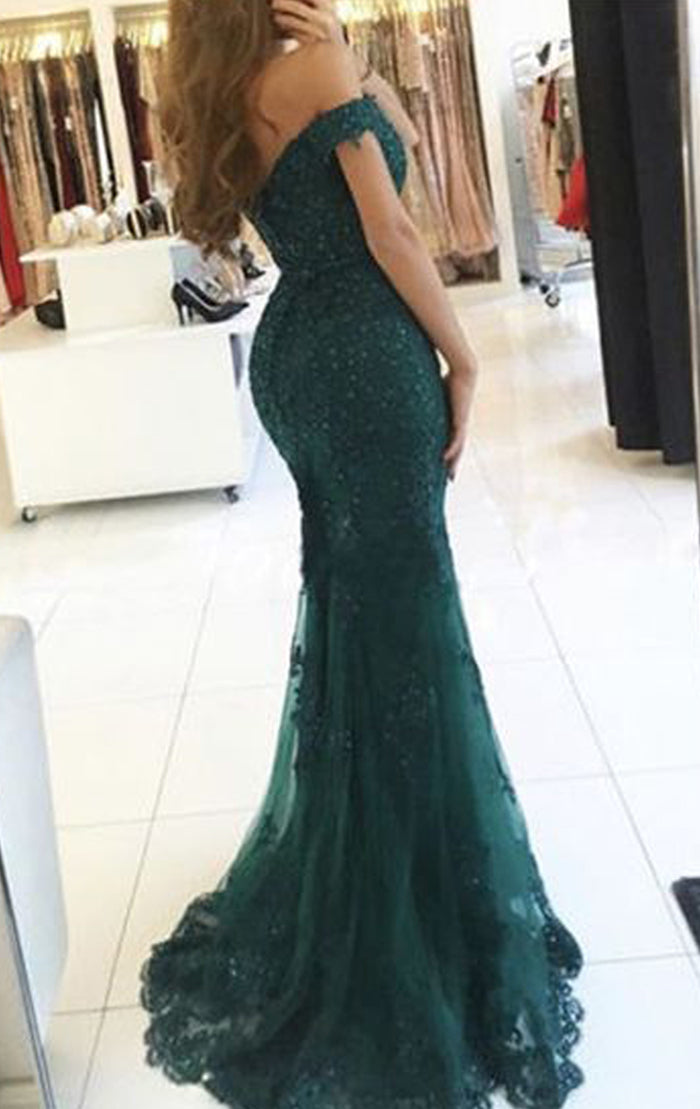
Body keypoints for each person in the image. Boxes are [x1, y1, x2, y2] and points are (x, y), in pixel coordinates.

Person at [139, 2, 586, 1107]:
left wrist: (351, 52)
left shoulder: (238, 79)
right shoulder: (313, 68)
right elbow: (394, 231)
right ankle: (407, 906)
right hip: (366, 355)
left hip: (301, 357)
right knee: (407, 614)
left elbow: (399, 144)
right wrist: (464, 357)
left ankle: (381, 858)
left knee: (361, 606)